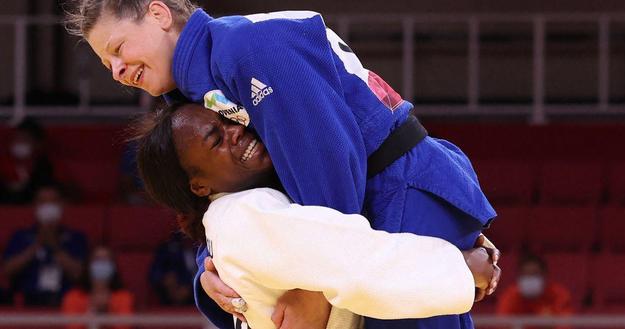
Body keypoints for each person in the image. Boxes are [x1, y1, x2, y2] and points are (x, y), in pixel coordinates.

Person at [67, 2, 499, 328]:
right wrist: (209, 266)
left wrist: (314, 289)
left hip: (395, 190)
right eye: (107, 65)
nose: (118, 72)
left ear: (158, 14)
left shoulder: (248, 46)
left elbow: (327, 155)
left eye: (118, 49)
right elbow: (224, 202)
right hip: (364, 210)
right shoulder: (189, 95)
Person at [134, 102, 499, 329]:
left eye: (228, 120)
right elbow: (355, 263)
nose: (235, 133)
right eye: (215, 140)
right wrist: (462, 267)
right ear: (198, 186)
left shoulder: (238, 213)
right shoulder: (241, 216)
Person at [1, 185, 88, 307]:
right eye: (42, 202)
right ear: (34, 206)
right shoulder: (20, 236)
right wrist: (37, 244)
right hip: (28, 301)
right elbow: (7, 270)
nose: (48, 206)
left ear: (61, 205)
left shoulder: (76, 237)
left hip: (65, 301)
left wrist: (55, 246)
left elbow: (80, 274)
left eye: (53, 201)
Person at [62, 245, 135, 329]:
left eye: (106, 260)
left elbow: (125, 327)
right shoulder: (73, 297)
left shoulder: (124, 297)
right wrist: (90, 314)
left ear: (113, 266)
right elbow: (72, 327)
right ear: (88, 264)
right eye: (97, 259)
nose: (102, 264)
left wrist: (106, 314)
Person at [496, 254, 573, 329]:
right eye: (526, 274)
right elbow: (502, 324)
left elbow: (566, 325)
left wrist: (552, 325)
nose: (530, 278)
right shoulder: (510, 296)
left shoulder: (558, 295)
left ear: (544, 275)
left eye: (534, 274)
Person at [0, 117, 55, 204]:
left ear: (37, 144)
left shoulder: (43, 166)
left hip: (29, 209)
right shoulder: (2, 162)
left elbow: (45, 190)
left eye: (25, 139)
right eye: (17, 138)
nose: (19, 142)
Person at [149, 231, 197, 306]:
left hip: (197, 288)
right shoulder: (169, 250)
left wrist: (191, 286)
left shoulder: (204, 250)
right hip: (174, 291)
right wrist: (165, 279)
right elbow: (155, 273)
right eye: (186, 237)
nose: (189, 240)